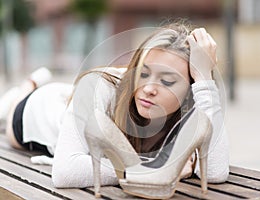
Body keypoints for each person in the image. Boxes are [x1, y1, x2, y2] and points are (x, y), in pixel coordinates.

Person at [1, 22, 229, 189]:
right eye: (144, 73)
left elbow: (215, 172)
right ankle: (26, 88)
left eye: (167, 81)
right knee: (11, 114)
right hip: (40, 109)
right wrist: (154, 168)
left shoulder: (193, 102)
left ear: (189, 90)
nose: (149, 88)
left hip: (74, 103)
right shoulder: (100, 85)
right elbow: (65, 172)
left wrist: (205, 81)